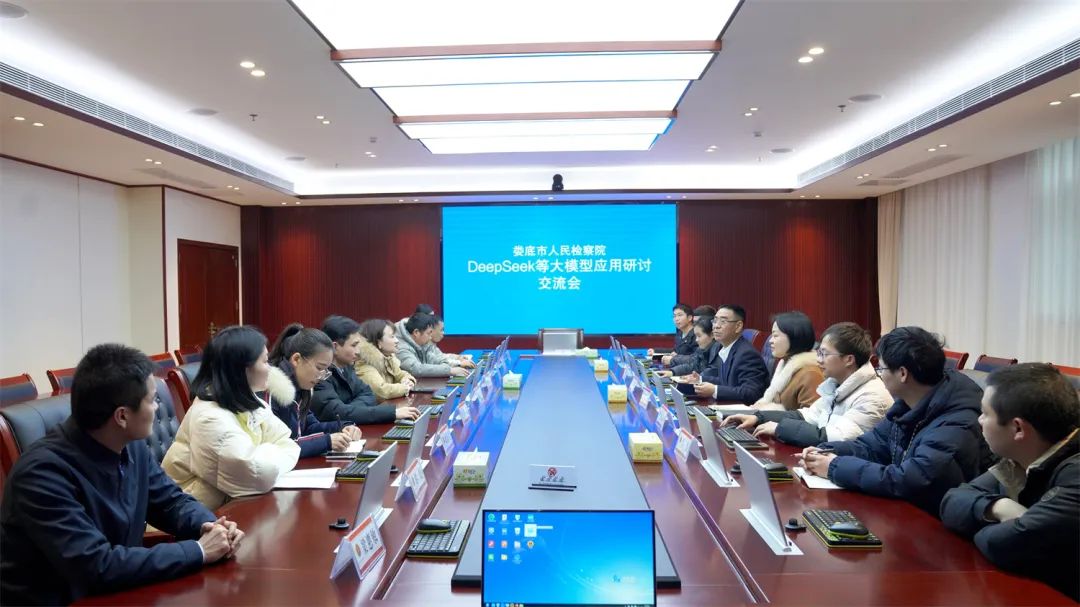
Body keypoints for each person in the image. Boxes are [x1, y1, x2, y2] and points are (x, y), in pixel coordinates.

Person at [0, 344, 244, 605]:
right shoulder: (41, 474)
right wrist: (198, 551)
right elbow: (97, 565)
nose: (158, 406)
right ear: (122, 416)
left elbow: (171, 502)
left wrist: (209, 526)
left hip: (120, 592)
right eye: (152, 400)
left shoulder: (128, 445)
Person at [797, 327, 986, 515]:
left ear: (902, 373)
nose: (879, 374)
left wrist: (834, 467)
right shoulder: (907, 404)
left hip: (932, 520)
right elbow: (871, 446)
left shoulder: (956, 421)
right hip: (904, 510)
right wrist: (826, 451)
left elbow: (909, 480)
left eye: (881, 368)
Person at [941, 364, 1079, 601]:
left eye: (985, 413)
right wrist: (998, 507)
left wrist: (981, 527)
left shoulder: (1075, 474)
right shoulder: (1023, 456)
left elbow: (1006, 544)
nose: (979, 420)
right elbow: (952, 501)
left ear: (1017, 428)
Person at [163, 326, 300, 509]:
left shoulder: (248, 401)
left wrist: (261, 453)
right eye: (265, 361)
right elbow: (258, 475)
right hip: (191, 516)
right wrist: (268, 451)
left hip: (227, 509)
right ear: (242, 369)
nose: (270, 369)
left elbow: (289, 444)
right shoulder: (209, 418)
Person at [723, 322, 891, 446]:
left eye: (824, 354)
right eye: (819, 353)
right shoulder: (837, 384)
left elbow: (836, 438)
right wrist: (758, 417)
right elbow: (808, 415)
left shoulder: (872, 396)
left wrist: (779, 428)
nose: (818, 360)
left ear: (849, 360)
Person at [266, 324, 364, 458]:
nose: (322, 377)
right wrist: (326, 441)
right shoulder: (270, 390)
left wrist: (342, 427)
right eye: (319, 368)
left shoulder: (301, 387)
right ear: (296, 359)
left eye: (325, 370)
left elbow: (309, 427)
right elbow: (279, 448)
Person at [312, 315, 419, 424]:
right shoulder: (320, 375)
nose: (358, 351)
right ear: (335, 347)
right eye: (354, 345)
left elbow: (368, 394)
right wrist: (392, 413)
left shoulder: (346, 367)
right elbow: (337, 413)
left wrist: (350, 410)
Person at [692, 304, 769, 402]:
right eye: (715, 321)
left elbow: (751, 392)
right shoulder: (726, 348)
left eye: (723, 321)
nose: (716, 326)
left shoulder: (747, 354)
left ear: (738, 326)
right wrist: (700, 379)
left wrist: (715, 390)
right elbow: (727, 382)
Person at [753, 311, 823, 411]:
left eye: (775, 335)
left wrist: (772, 412)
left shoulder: (810, 373)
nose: (770, 341)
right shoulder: (784, 363)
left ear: (794, 337)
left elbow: (810, 417)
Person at [355, 318, 417, 400]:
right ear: (378, 342)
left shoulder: (388, 358)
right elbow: (382, 391)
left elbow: (400, 374)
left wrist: (407, 380)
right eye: (392, 337)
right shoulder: (364, 363)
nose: (397, 340)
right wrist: (405, 388)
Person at [395, 312, 468, 378]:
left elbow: (434, 358)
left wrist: (451, 365)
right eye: (428, 333)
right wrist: (449, 371)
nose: (430, 337)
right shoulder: (401, 347)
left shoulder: (422, 342)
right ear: (416, 332)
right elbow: (416, 369)